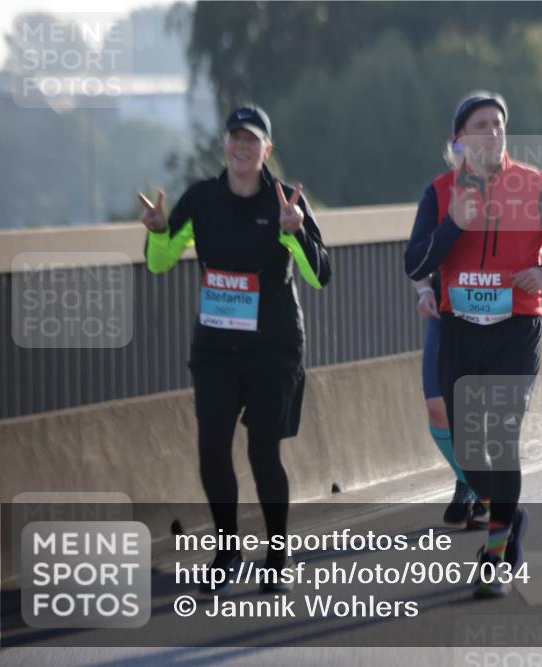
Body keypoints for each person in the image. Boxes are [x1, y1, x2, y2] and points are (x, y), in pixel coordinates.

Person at [138, 104, 331, 595]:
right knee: (211, 446)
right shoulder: (201, 200)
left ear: (267, 149)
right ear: (224, 145)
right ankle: (227, 551)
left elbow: (318, 275)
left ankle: (277, 556)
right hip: (217, 347)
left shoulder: (286, 203)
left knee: (263, 451)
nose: (242, 147)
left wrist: (295, 233)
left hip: (273, 348)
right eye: (235, 138)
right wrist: (160, 232)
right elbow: (160, 264)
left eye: (253, 140)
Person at [404, 91, 542, 597]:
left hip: (515, 330)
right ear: (459, 139)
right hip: (459, 331)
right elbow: (414, 264)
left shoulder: (535, 185)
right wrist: (451, 227)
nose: (493, 133)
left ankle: (496, 556)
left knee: (503, 440)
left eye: (499, 124)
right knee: (470, 448)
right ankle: (507, 514)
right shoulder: (439, 193)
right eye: (481, 125)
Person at [412, 271, 486, 528]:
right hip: (446, 309)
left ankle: (478, 488)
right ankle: (474, 482)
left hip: (495, 310)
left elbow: (535, 249)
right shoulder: (441, 226)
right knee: (437, 408)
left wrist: (541, 269)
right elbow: (417, 257)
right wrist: (424, 291)